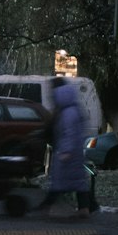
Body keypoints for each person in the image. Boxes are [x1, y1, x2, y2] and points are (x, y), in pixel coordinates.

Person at [42, 77, 93, 217]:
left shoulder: (67, 113)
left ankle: (46, 206)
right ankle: (85, 209)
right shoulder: (72, 110)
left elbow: (69, 133)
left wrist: (66, 151)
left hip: (68, 154)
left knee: (60, 182)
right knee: (77, 182)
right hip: (73, 154)